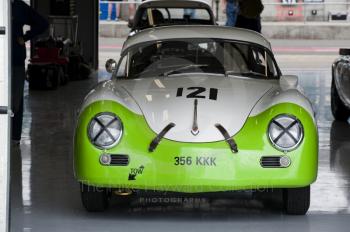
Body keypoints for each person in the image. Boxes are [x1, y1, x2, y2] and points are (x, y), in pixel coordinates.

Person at [11, 0, 48, 143]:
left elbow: (42, 23)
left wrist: (25, 37)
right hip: (8, 59)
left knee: (16, 100)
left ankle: (14, 136)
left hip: (15, 61)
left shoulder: (18, 7)